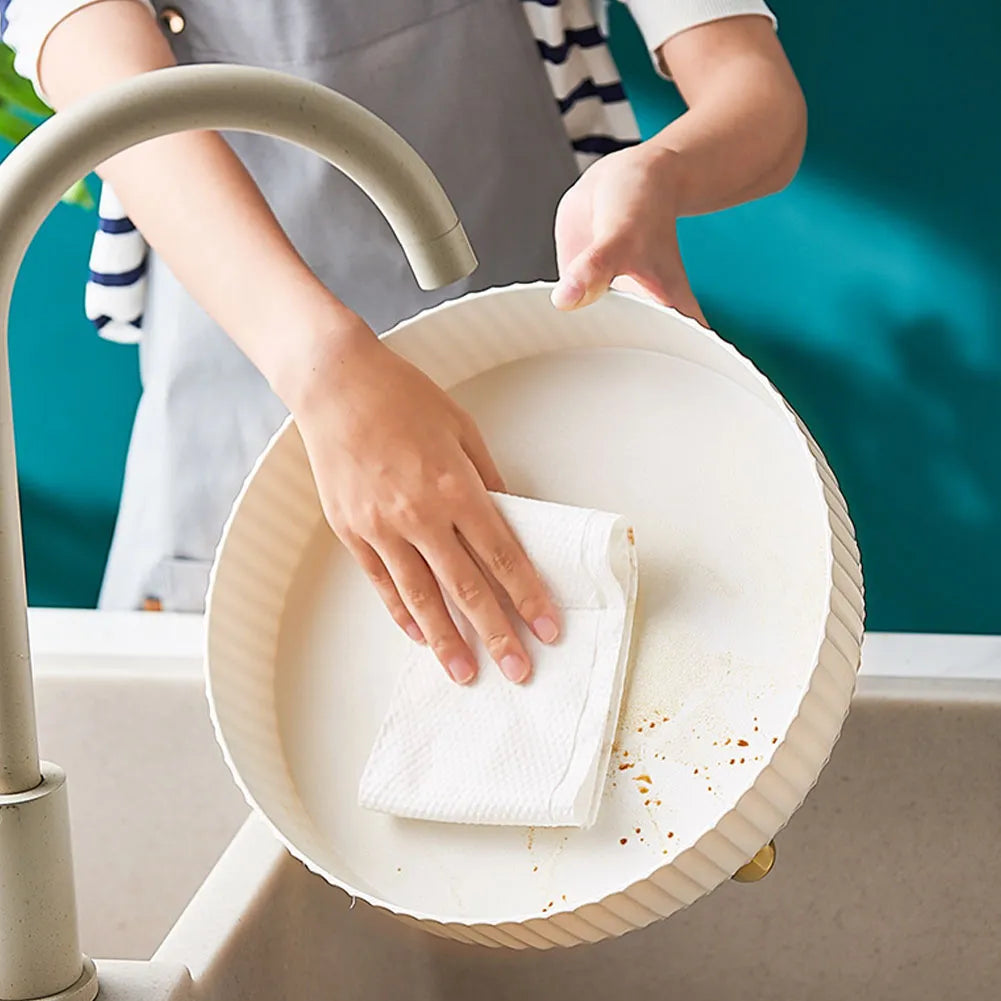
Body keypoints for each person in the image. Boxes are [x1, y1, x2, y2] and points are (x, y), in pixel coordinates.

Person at [1, 0, 805, 684]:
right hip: (241, 421)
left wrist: (660, 169)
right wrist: (324, 369)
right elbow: (93, 62)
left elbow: (752, 90)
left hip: (541, 412)